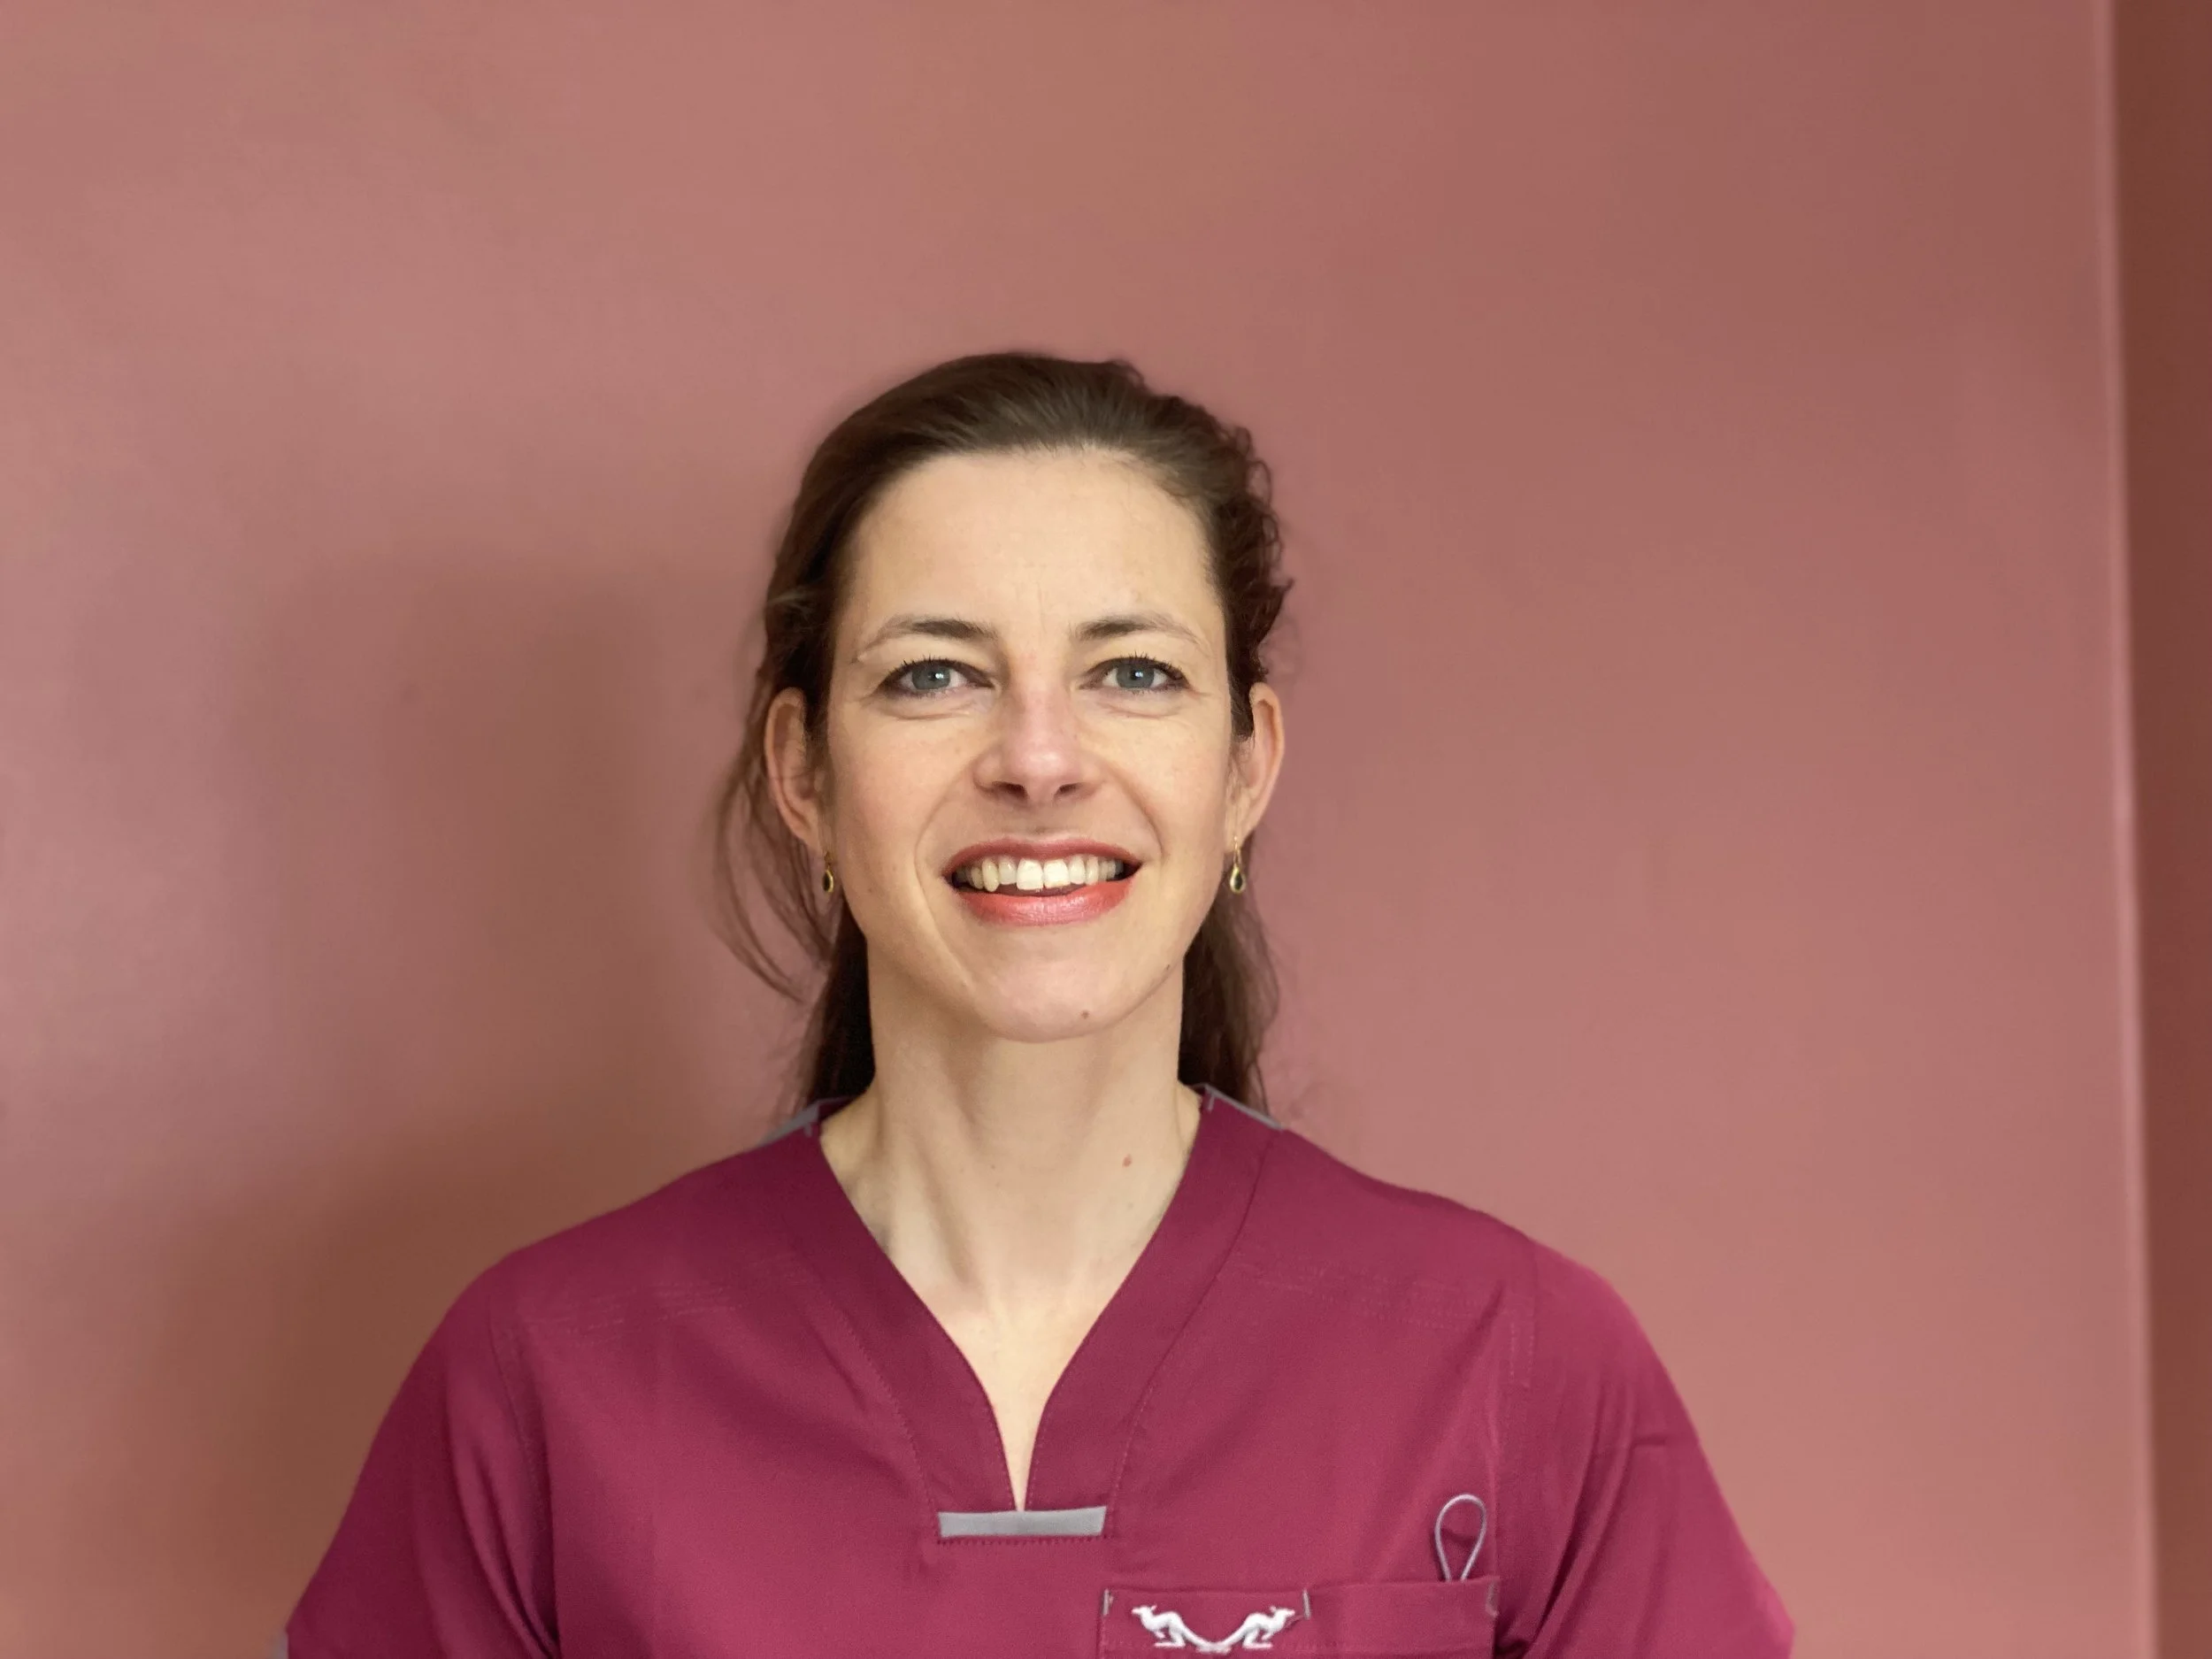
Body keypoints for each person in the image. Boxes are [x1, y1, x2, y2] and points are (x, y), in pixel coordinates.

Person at [280, 352, 1793, 1657]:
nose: (1040, 758)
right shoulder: (544, 1379)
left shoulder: (1514, 1357)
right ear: (805, 773)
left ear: (1245, 765)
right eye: (935, 676)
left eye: (1132, 672)